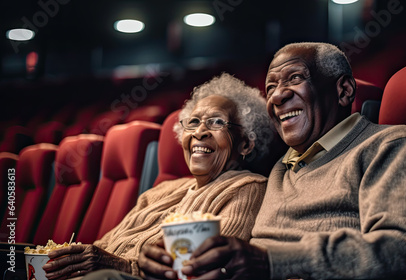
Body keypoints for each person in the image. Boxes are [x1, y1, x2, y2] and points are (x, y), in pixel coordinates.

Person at [138, 42, 406, 279]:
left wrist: (272, 261)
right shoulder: (280, 167)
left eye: (295, 79)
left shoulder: (390, 145)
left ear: (344, 91)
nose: (276, 97)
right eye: (270, 87)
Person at [41, 73, 274, 279]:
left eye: (216, 122)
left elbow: (200, 268)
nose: (199, 132)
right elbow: (102, 247)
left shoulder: (248, 187)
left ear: (245, 144)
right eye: (193, 122)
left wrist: (124, 267)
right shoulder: (161, 191)